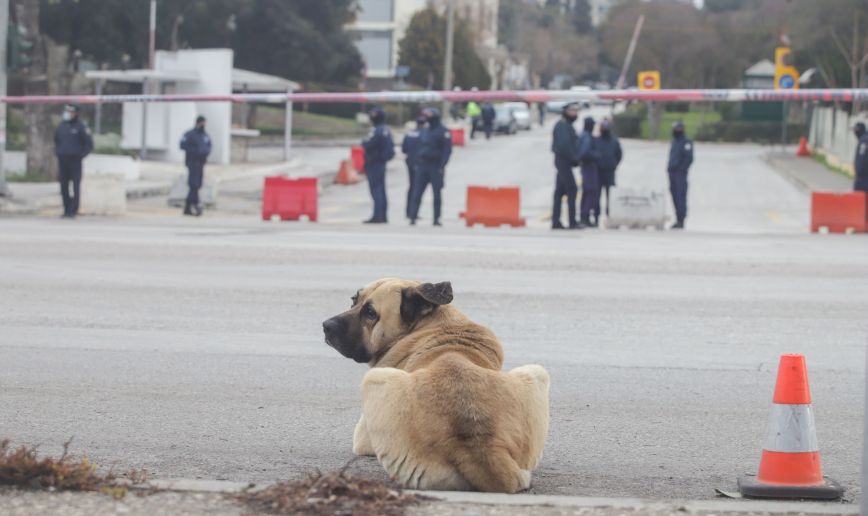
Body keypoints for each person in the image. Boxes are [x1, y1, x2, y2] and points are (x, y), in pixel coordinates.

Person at [409, 107, 452, 226]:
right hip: (422, 165)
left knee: (437, 194)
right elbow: (416, 147)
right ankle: (413, 217)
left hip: (435, 166)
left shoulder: (443, 131)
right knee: (417, 192)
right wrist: (415, 163)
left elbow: (447, 151)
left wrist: (442, 165)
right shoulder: (425, 131)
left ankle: (436, 218)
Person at [54, 104, 93, 219]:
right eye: (66, 111)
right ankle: (66, 209)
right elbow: (56, 140)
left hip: (75, 160)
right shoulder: (61, 125)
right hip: (63, 159)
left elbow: (88, 144)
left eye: (70, 112)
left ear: (75, 113)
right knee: (63, 186)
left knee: (75, 186)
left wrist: (80, 155)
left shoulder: (81, 127)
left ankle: (73, 209)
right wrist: (58, 152)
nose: (68, 114)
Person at [361, 106, 395, 224]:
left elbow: (368, 144)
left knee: (376, 190)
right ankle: (383, 215)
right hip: (381, 163)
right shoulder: (386, 129)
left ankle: (378, 216)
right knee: (381, 189)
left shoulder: (376, 130)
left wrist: (364, 143)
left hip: (374, 163)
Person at [550, 102, 581, 230]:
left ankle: (556, 221)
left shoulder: (565, 125)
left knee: (559, 192)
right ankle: (571, 222)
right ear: (566, 111)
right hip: (563, 162)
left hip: (563, 161)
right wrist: (574, 158)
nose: (575, 113)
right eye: (572, 111)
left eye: (576, 111)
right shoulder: (563, 126)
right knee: (571, 190)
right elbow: (564, 146)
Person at [179, 116, 212, 217]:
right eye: (203, 123)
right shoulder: (190, 134)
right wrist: (194, 151)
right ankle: (195, 204)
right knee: (194, 184)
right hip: (192, 161)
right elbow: (182, 145)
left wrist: (204, 153)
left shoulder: (205, 135)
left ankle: (188, 207)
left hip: (201, 162)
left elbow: (209, 146)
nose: (204, 125)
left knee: (197, 184)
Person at [667, 121, 694, 230]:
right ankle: (677, 218)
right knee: (674, 195)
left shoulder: (686, 142)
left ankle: (681, 219)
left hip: (680, 174)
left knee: (680, 196)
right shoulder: (674, 141)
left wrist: (681, 169)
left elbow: (689, 158)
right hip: (672, 173)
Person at [595, 118, 623, 218]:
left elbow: (619, 155)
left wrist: (614, 164)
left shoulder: (614, 141)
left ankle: (610, 214)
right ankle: (596, 215)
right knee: (596, 195)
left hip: (610, 171)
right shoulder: (596, 140)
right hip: (598, 172)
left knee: (610, 195)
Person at [578, 116, 601, 227]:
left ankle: (584, 215)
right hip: (588, 168)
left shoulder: (584, 136)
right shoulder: (587, 137)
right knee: (590, 191)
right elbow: (584, 153)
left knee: (587, 191)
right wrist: (596, 155)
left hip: (586, 167)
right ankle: (585, 216)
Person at [401, 115, 426, 219]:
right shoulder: (425, 134)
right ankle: (413, 212)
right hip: (420, 164)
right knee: (417, 188)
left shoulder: (409, 134)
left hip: (410, 162)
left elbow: (404, 149)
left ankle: (408, 211)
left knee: (411, 187)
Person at [853, 122, 868, 193]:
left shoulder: (864, 141)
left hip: (863, 179)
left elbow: (862, 159)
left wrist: (858, 172)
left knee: (859, 201)